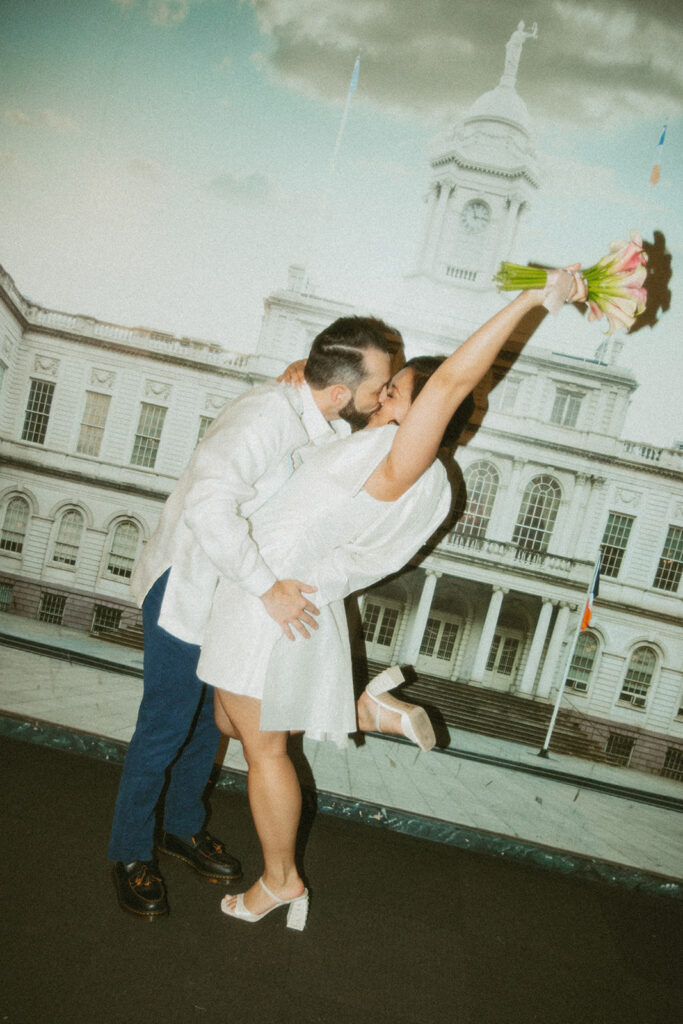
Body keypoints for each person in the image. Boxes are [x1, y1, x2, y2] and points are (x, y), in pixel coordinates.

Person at [196, 268, 588, 930]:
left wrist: (532, 298)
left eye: (394, 392)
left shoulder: (404, 460)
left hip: (273, 597)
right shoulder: (397, 461)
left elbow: (455, 381)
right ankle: (363, 708)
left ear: (425, 411)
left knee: (261, 749)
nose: (378, 398)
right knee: (231, 722)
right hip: (277, 591)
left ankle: (281, 881)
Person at [108, 315, 396, 919]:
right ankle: (132, 851)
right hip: (189, 585)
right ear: (340, 390)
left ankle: (180, 827)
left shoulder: (316, 419)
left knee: (213, 723)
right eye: (380, 385)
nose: (382, 396)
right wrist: (267, 589)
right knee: (166, 722)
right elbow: (210, 511)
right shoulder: (264, 415)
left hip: (234, 596)